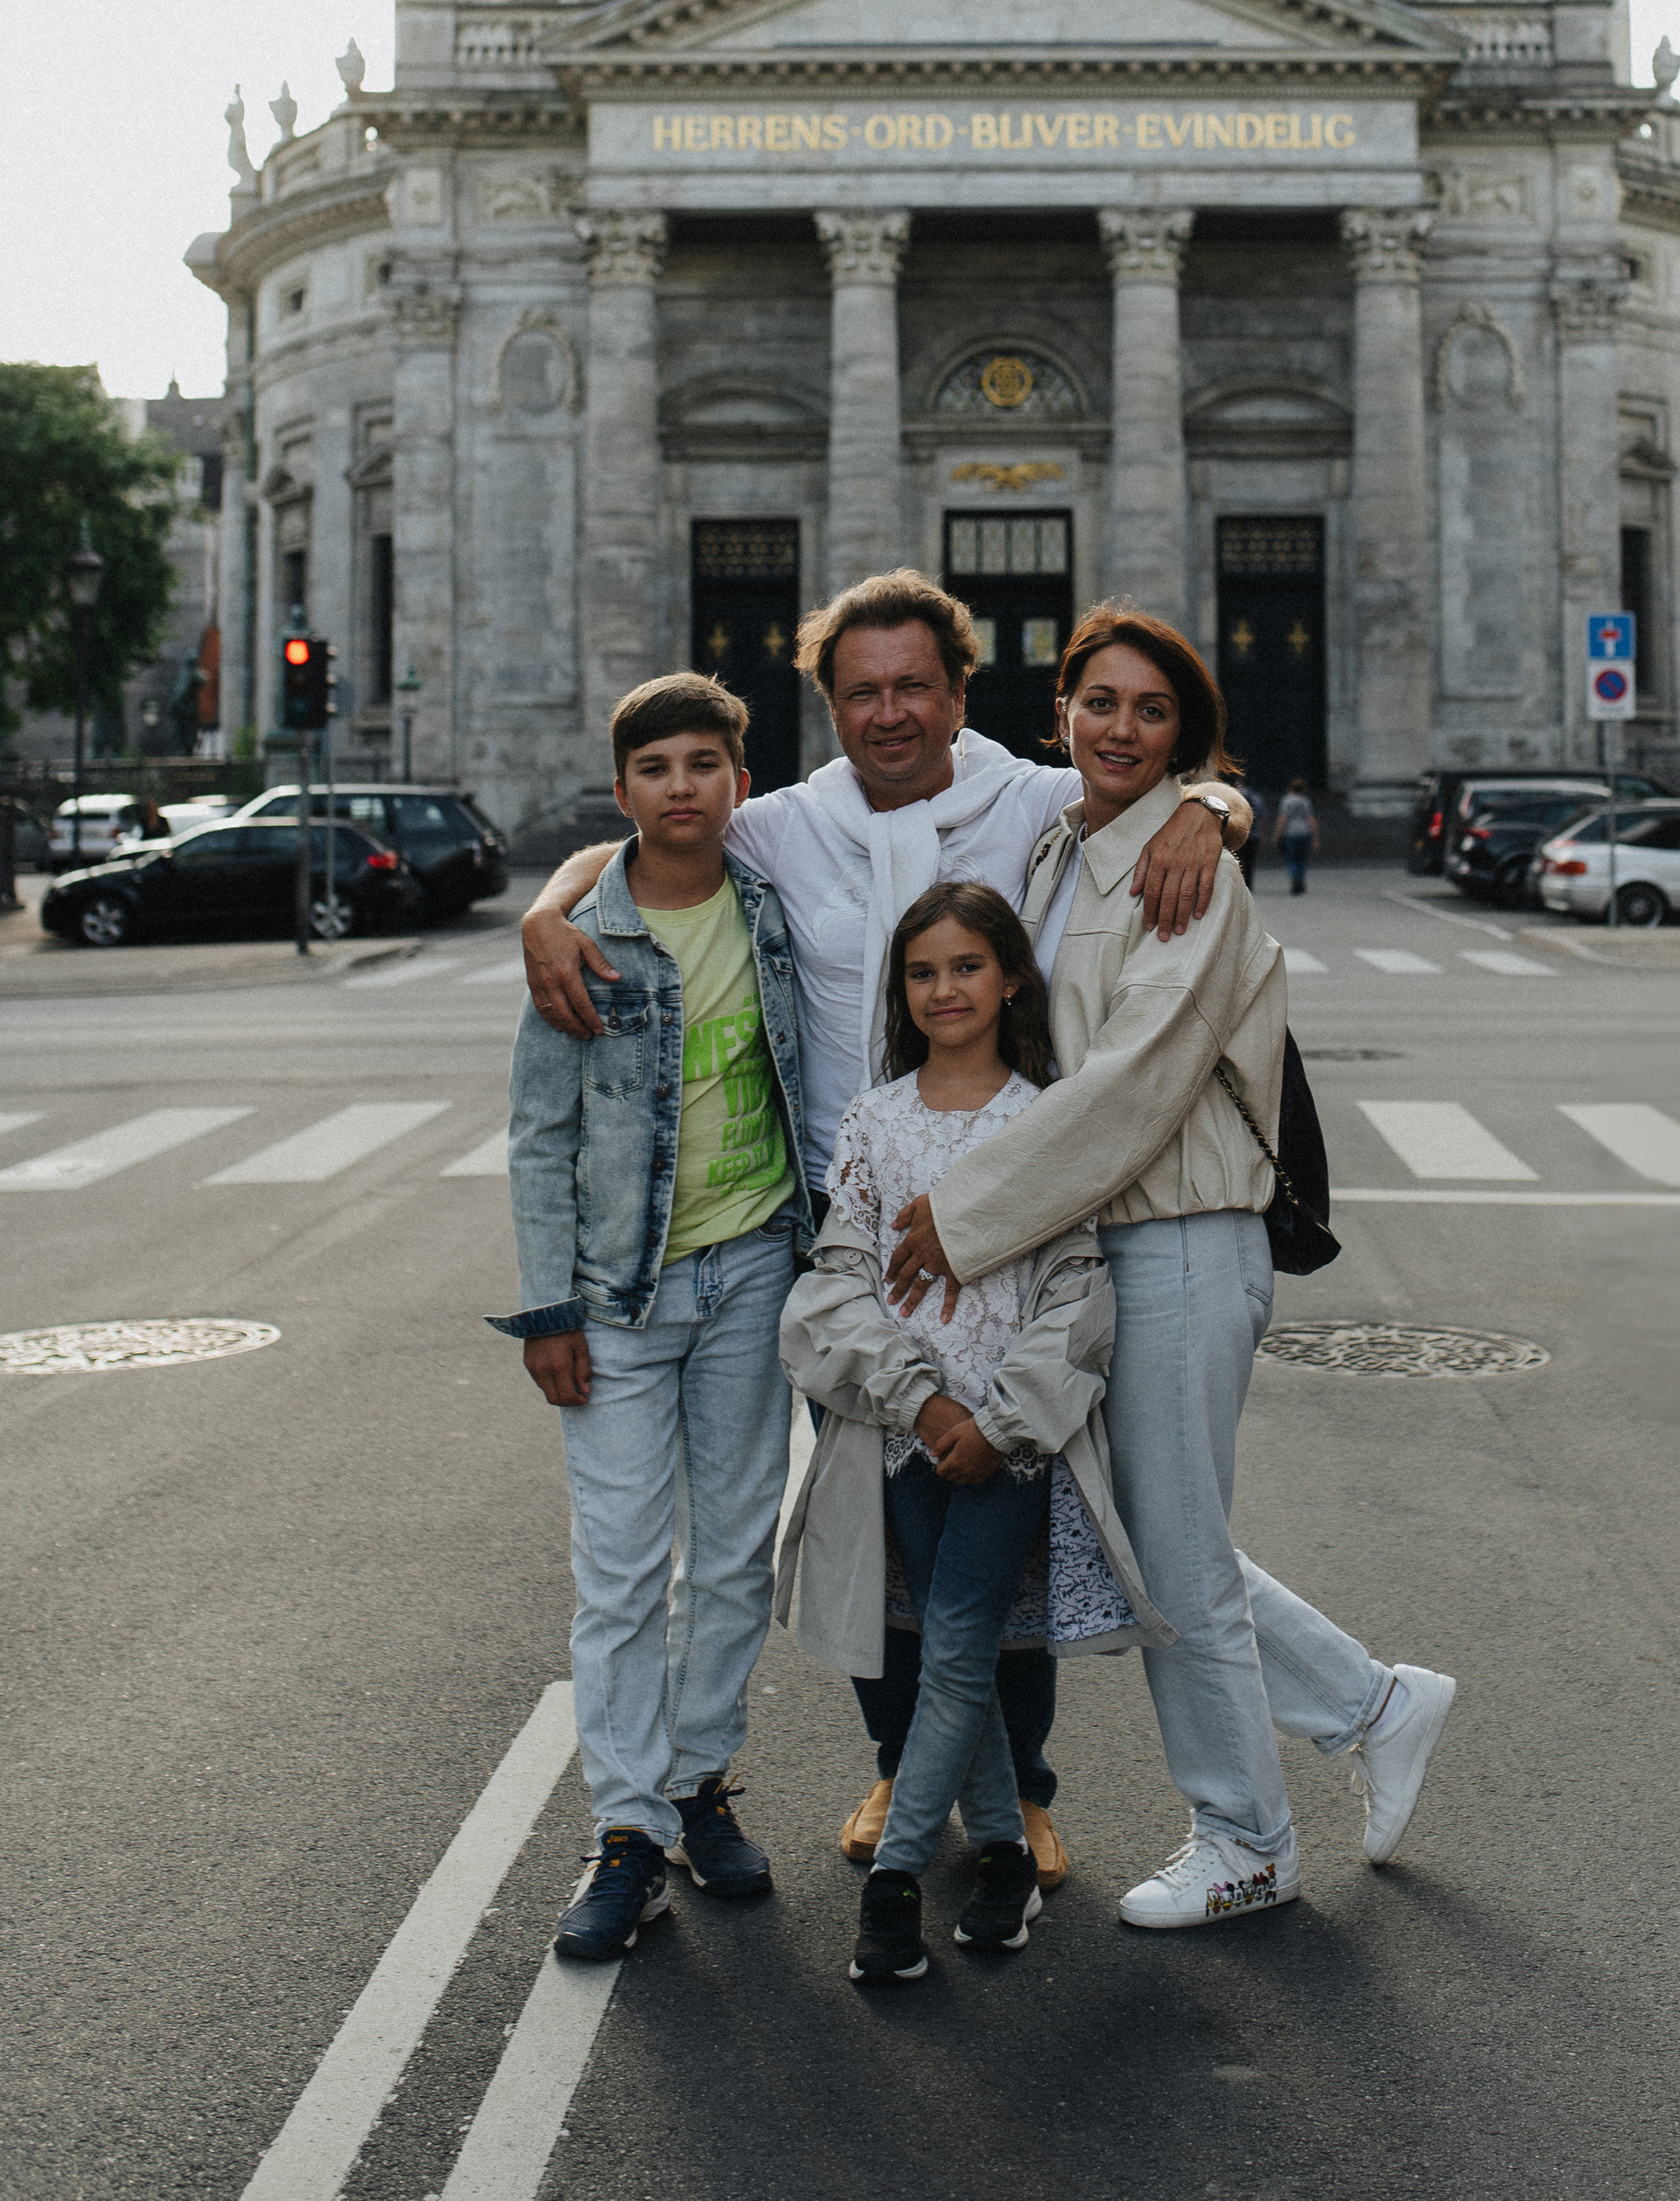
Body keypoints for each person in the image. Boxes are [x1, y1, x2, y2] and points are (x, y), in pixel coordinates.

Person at [519, 567, 1250, 1889]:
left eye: (917, 684)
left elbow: (1146, 778)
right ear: (829, 706)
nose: (892, 710)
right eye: (863, 690)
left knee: (1011, 1512)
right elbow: (651, 833)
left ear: (964, 692)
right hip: (845, 1234)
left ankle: (1017, 1786)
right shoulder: (782, 825)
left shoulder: (1029, 799)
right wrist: (548, 905)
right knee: (881, 1520)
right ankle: (900, 1759)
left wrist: (1209, 799)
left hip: (1006, 1217)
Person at [887, 608, 1454, 1931]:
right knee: (1146, 1538)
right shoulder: (1052, 848)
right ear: (1062, 712)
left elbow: (1134, 1084)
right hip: (1095, 1245)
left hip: (1184, 1238)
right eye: (1100, 701)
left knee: (1175, 1556)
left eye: (1153, 711)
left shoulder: (1189, 876)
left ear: (1189, 737)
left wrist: (961, 1213)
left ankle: (1248, 1836)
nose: (1120, 727)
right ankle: (1373, 1701)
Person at [774, 884, 1169, 1982]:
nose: (944, 989)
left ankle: (896, 1885)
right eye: (922, 971)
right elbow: (835, 1284)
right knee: (945, 1644)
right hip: (905, 1429)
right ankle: (999, 1854)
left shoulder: (1049, 1118)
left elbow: (1076, 1298)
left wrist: (998, 1421)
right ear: (901, 990)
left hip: (1007, 1440)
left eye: (965, 967)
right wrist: (919, 1401)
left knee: (957, 1638)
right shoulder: (874, 1119)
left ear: (1009, 980)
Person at [490, 673, 812, 1962]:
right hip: (619, 1298)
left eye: (705, 762)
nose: (683, 785)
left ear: (742, 776)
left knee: (734, 1552)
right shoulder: (584, 931)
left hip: (751, 1276)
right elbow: (537, 1135)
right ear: (622, 791)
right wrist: (545, 1307)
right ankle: (624, 1829)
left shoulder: (779, 908)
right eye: (657, 766)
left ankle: (696, 1779)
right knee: (621, 1568)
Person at [1272, 779, 1317, 896]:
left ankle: (1294, 879)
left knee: (1291, 859)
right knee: (1302, 859)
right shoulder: (1305, 801)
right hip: (1304, 832)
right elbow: (1311, 819)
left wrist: (1277, 835)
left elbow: (1283, 819)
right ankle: (1300, 880)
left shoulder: (1286, 801)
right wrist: (1315, 837)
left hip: (1290, 833)